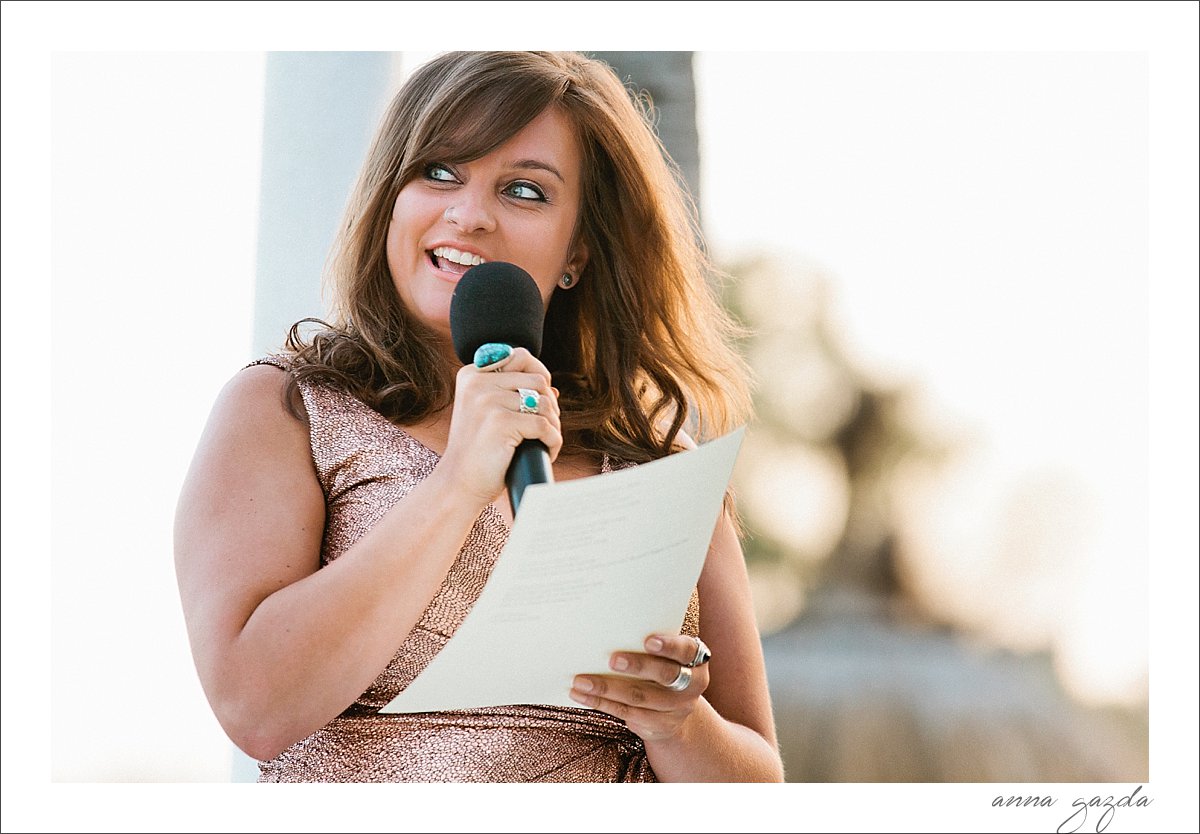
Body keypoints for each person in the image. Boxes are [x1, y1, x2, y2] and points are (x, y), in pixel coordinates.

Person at [174, 50, 784, 783]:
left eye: (524, 190)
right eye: (438, 172)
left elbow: (759, 782)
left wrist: (681, 722)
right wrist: (459, 480)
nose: (469, 214)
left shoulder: (663, 464)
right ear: (389, 199)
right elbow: (256, 707)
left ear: (578, 251)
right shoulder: (286, 410)